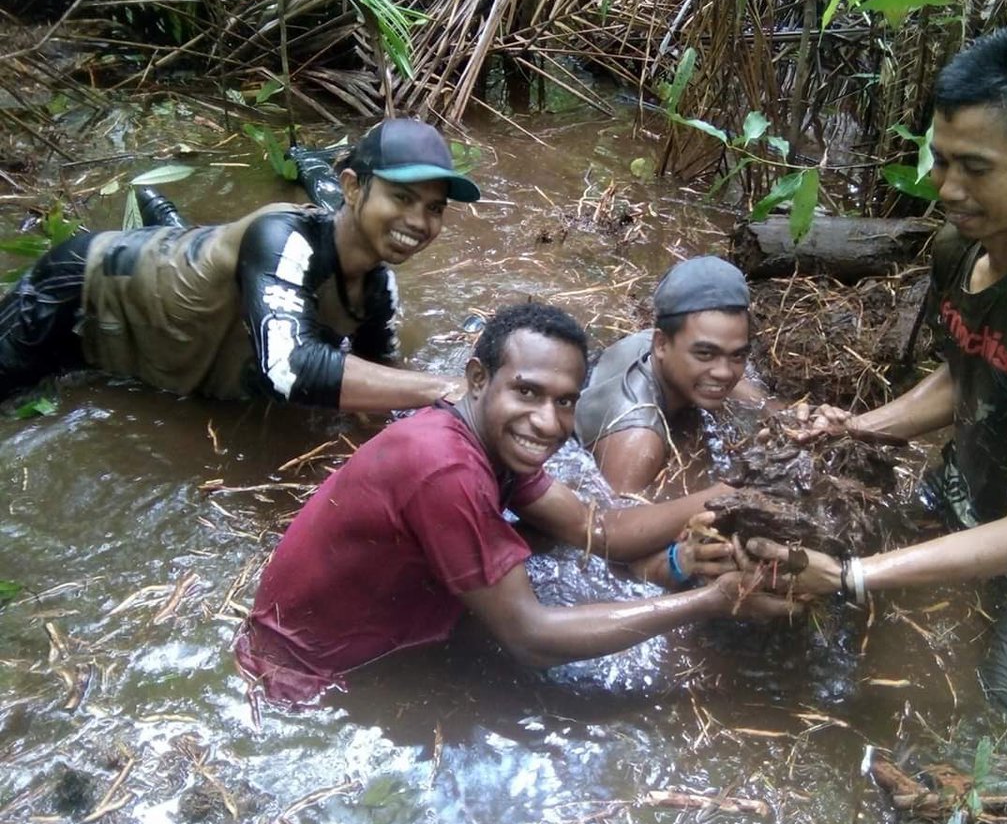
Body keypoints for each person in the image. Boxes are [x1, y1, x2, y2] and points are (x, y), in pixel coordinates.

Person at [753, 26, 1007, 717]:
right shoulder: (960, 247)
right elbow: (967, 373)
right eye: (940, 160)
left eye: (976, 168)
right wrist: (854, 430)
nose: (947, 188)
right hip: (967, 486)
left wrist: (851, 576)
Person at [234, 302, 794, 704]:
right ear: (478, 379)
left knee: (544, 541)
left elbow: (598, 529)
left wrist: (734, 494)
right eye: (527, 392)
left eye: (565, 402)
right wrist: (711, 602)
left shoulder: (487, 441)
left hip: (361, 637)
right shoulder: (445, 468)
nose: (548, 423)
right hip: (307, 681)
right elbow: (532, 637)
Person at [0, 118, 476, 411]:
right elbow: (288, 369)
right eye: (402, 198)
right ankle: (160, 214)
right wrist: (445, 386)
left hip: (184, 290)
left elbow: (381, 376)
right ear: (352, 188)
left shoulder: (378, 289)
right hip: (81, 287)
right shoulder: (283, 239)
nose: (419, 221)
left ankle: (165, 216)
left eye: (434, 208)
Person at [575, 255, 770, 492]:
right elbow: (610, 514)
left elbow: (749, 394)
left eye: (737, 355)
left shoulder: (669, 345)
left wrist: (788, 418)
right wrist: (732, 492)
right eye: (705, 354)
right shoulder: (639, 443)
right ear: (661, 344)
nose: (724, 373)